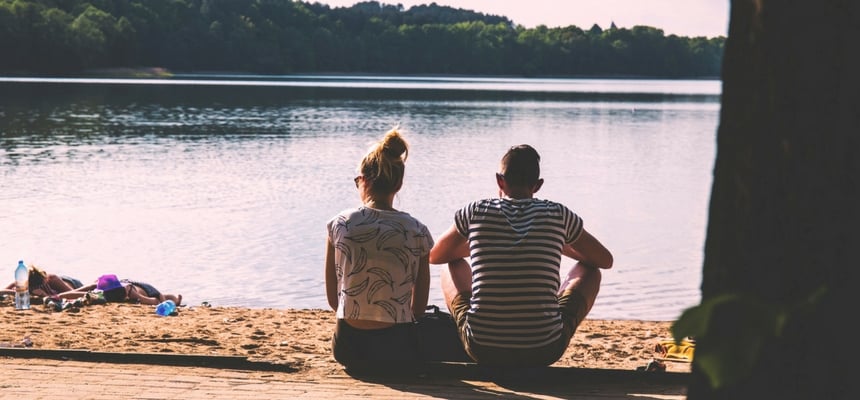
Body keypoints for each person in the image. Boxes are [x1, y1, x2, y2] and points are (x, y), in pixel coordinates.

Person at [429, 144, 614, 367]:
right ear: (537, 185)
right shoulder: (558, 214)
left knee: (450, 264)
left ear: (499, 181)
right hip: (545, 349)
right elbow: (604, 260)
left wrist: (484, 242)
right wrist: (558, 242)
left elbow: (435, 255)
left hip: (482, 347)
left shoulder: (476, 210)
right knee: (590, 270)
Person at [324, 127, 433, 371]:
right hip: (396, 349)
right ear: (399, 183)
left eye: (357, 181)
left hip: (348, 347)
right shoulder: (417, 230)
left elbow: (334, 301)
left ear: (364, 180)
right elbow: (418, 309)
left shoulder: (339, 224)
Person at [59, 274, 182, 306]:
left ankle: (176, 299)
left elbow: (154, 300)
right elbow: (79, 292)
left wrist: (163, 302)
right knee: (90, 287)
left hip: (145, 288)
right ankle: (173, 298)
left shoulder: (129, 292)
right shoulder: (99, 288)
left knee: (165, 297)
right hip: (122, 282)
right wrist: (58, 296)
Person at [1, 264, 83, 299]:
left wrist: (45, 295)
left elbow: (74, 293)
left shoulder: (51, 279)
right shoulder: (23, 283)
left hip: (72, 283)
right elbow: (2, 291)